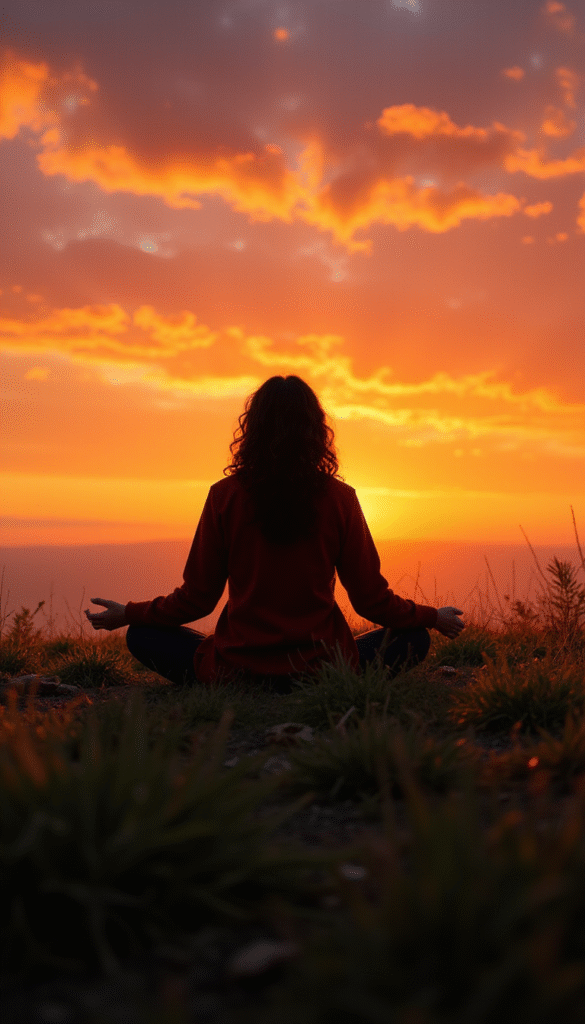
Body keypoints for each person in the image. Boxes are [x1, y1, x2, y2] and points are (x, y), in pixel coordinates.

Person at [85, 375, 465, 695]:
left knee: (142, 635)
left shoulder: (225, 496)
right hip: (321, 670)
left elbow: (197, 599)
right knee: (414, 639)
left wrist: (128, 614)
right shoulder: (340, 499)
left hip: (238, 671)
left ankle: (237, 681)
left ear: (252, 428)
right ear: (317, 431)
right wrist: (433, 617)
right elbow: (371, 601)